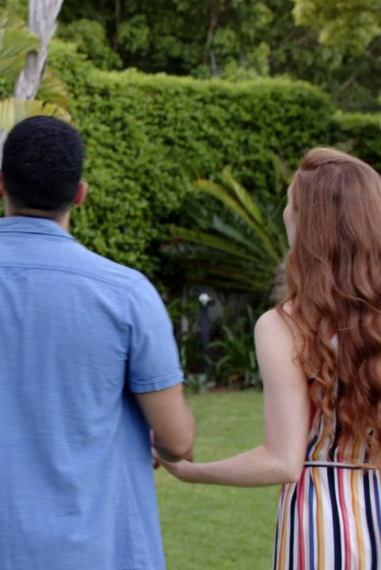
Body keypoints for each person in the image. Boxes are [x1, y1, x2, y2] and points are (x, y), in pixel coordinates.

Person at [0, 115, 196, 569]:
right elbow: (177, 439)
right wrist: (160, 444)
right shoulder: (127, 295)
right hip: (93, 554)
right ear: (80, 194)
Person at [158, 148, 381, 569]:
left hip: (323, 527)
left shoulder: (286, 326)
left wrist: (190, 471)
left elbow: (282, 461)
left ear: (312, 225)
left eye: (291, 203)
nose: (284, 213)